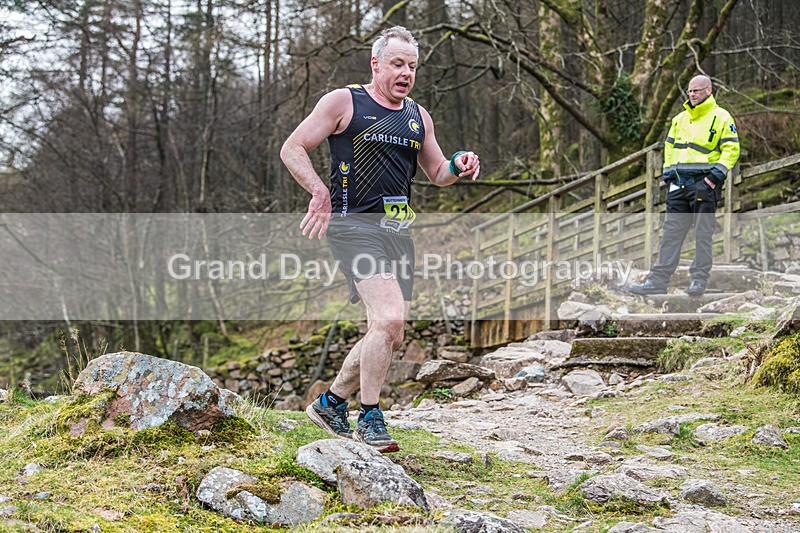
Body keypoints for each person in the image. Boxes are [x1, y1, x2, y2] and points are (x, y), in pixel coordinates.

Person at [280, 26, 480, 452]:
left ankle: (331, 403)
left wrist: (458, 165)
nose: (406, 72)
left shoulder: (418, 117)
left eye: (412, 66)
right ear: (376, 64)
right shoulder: (344, 102)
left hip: (397, 233)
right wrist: (319, 191)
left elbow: (437, 172)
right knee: (387, 318)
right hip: (353, 227)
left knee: (389, 332)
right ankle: (370, 415)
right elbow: (292, 148)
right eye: (397, 64)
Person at [630, 75, 740, 297]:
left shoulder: (721, 117)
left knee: (702, 234)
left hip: (704, 185)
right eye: (690, 91)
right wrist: (668, 177)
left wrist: (712, 178)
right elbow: (669, 149)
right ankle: (657, 281)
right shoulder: (679, 119)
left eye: (697, 90)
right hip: (678, 187)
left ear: (709, 90)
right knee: (670, 235)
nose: (692, 94)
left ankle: (698, 280)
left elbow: (731, 149)